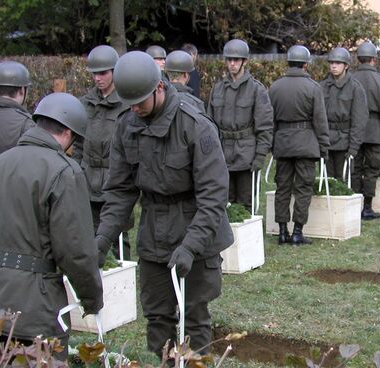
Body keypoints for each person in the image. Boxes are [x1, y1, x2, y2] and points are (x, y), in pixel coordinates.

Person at [94, 51, 233, 357]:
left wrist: (191, 246)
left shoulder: (195, 125)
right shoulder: (126, 124)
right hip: (153, 232)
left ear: (158, 88)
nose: (134, 109)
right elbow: (119, 191)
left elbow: (213, 197)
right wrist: (101, 241)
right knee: (157, 316)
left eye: (140, 102)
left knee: (194, 315)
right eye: (129, 102)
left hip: (197, 229)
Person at [0, 92, 104, 360]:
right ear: (67, 132)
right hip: (36, 309)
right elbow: (75, 250)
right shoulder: (65, 171)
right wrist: (92, 298)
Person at [73, 45, 132, 260]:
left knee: (118, 234)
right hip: (88, 178)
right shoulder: (84, 104)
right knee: (90, 233)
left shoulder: (127, 105)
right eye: (94, 73)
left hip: (115, 179)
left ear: (115, 72)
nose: (98, 78)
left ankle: (122, 277)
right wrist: (76, 173)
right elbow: (78, 144)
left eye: (103, 73)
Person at [269, 45, 329, 245]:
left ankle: (282, 231)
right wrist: (324, 147)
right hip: (306, 144)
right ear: (305, 64)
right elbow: (320, 121)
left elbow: (270, 119)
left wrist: (272, 144)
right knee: (303, 188)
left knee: (283, 188)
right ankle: (297, 232)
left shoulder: (275, 87)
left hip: (283, 143)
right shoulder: (313, 87)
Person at [207, 39, 274, 210]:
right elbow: (208, 125)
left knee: (246, 202)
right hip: (222, 153)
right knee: (224, 201)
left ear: (244, 61)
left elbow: (265, 127)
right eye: (229, 60)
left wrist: (260, 156)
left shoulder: (256, 90)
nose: (232, 64)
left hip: (247, 154)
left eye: (236, 60)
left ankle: (248, 236)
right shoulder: (218, 89)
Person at [351, 41, 380, 220]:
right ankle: (367, 207)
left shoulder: (350, 78)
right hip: (375, 129)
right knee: (371, 169)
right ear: (374, 60)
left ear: (358, 58)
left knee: (355, 168)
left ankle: (353, 204)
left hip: (354, 129)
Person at [318, 47, 366, 180]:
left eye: (338, 63)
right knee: (325, 181)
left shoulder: (355, 88)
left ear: (346, 66)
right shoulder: (321, 87)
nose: (333, 66)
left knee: (343, 180)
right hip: (326, 140)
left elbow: (359, 120)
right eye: (331, 63)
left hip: (344, 141)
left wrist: (354, 147)